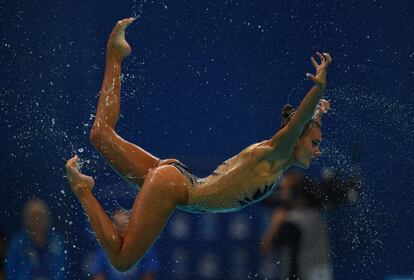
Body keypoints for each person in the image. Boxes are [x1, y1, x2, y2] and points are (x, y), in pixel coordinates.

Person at [65, 18, 333, 272]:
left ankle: (115, 54)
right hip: (172, 187)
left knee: (101, 134)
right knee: (123, 261)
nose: (318, 150)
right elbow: (297, 125)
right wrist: (317, 92)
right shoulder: (273, 156)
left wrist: (318, 111)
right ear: (296, 139)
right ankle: (84, 191)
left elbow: (301, 127)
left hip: (176, 179)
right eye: (315, 143)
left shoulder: (278, 159)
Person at [5, 198, 67, 280]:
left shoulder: (57, 242)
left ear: (47, 219)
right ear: (26, 220)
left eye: (40, 216)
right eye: (33, 217)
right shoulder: (17, 244)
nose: (37, 220)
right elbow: (12, 273)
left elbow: (62, 271)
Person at [90, 209, 159, 280]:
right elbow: (98, 276)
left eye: (124, 226)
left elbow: (149, 276)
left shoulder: (144, 249)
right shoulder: (103, 251)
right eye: (119, 226)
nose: (122, 230)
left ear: (131, 227)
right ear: (112, 227)